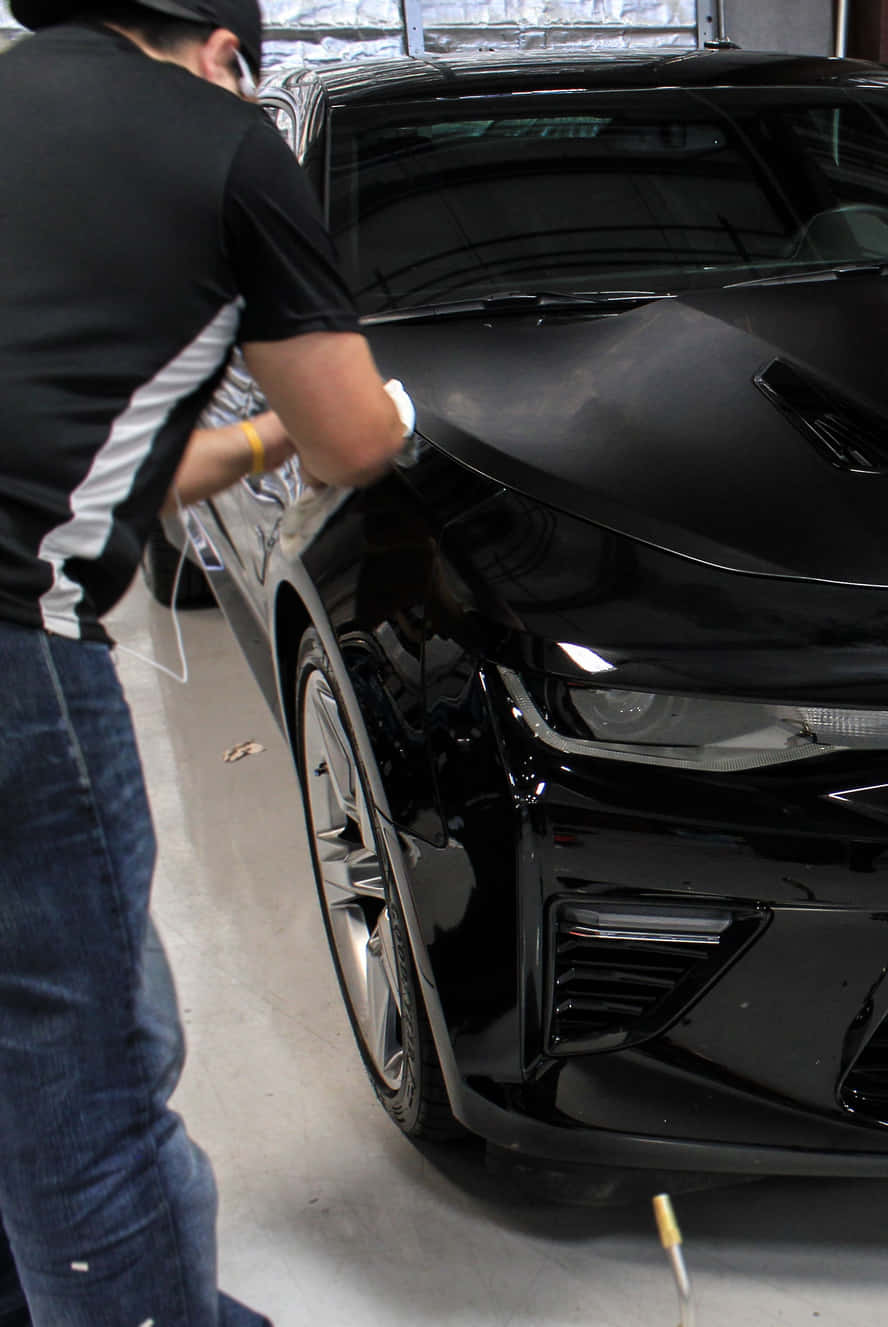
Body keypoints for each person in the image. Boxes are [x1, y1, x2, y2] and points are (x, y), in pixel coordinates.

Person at [0, 0, 409, 1321]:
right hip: (9, 654)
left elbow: (102, 454)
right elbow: (352, 440)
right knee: (91, 1085)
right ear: (226, 50)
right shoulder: (221, 143)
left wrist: (250, 443)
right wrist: (371, 414)